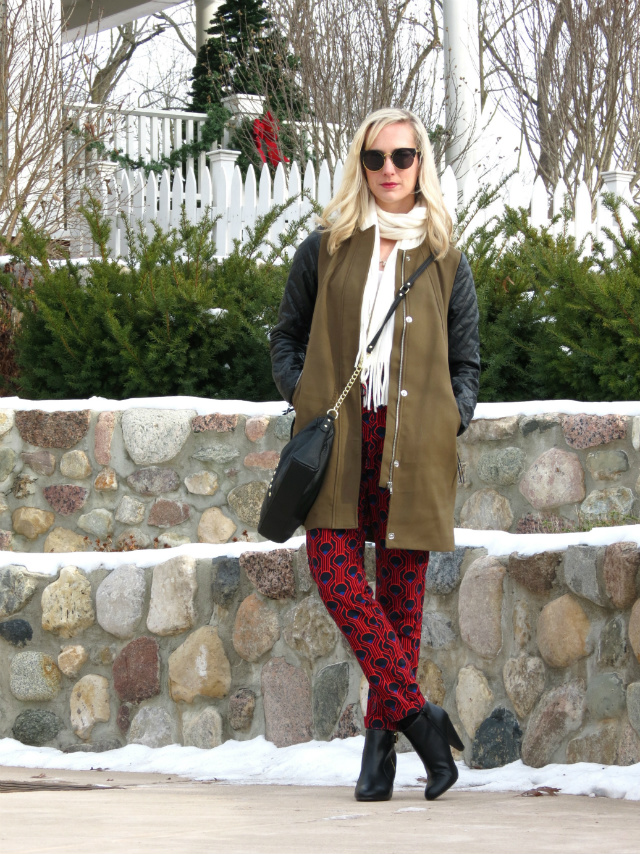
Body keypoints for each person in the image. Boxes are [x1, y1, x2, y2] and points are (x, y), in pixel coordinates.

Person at [269, 107, 480, 802]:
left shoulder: (447, 255)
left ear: (422, 163)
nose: (390, 170)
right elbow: (286, 335)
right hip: (341, 437)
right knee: (332, 567)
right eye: (375, 158)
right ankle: (422, 720)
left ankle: (378, 753)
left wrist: (454, 417)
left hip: (413, 442)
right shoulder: (326, 245)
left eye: (403, 156)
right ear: (360, 165)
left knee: (400, 600)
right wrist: (304, 393)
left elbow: (467, 360)